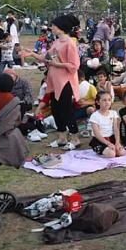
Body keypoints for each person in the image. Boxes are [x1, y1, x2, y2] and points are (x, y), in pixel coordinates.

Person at [20, 14, 81, 150]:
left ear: (61, 28)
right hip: (53, 82)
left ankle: (75, 138)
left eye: (54, 26)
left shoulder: (70, 43)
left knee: (66, 110)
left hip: (65, 82)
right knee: (56, 109)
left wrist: (57, 64)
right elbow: (46, 57)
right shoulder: (57, 42)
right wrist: (31, 54)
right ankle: (61, 137)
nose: (51, 28)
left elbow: (74, 65)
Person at [88, 91, 126, 158]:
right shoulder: (94, 116)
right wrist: (108, 144)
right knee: (111, 154)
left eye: (109, 100)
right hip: (99, 140)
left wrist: (117, 142)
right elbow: (97, 134)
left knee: (122, 152)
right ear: (98, 102)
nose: (107, 102)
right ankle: (103, 151)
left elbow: (116, 129)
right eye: (104, 100)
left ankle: (112, 148)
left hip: (111, 138)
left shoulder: (113, 113)